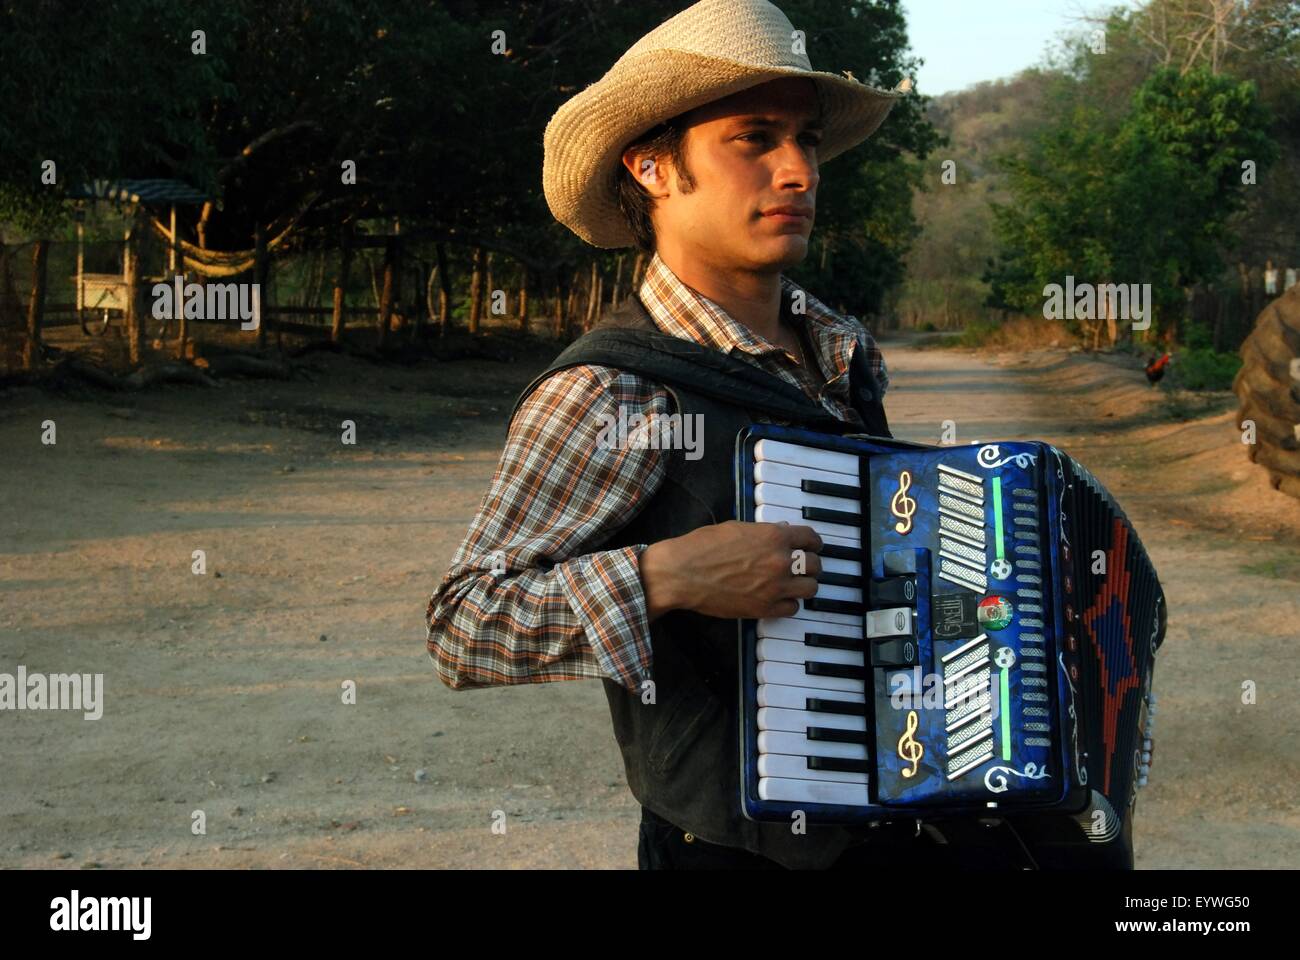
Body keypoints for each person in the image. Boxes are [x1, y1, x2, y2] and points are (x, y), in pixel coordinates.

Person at [424, 0, 1027, 870]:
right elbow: (464, 623)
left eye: (807, 140)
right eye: (754, 139)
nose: (798, 171)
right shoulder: (611, 388)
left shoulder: (844, 350)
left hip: (900, 827)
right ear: (653, 168)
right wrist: (668, 574)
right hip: (731, 852)